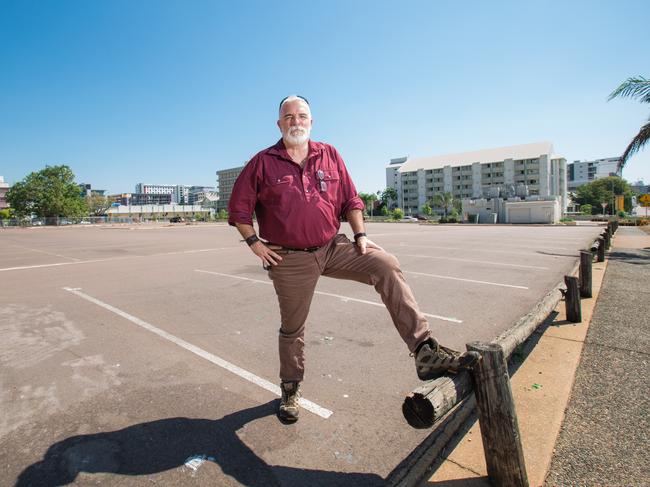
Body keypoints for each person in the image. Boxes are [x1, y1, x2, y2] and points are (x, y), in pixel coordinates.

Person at [228, 95, 478, 423]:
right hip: (289, 258)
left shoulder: (330, 154)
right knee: (292, 327)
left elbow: (350, 199)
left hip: (334, 246)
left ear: (311, 122)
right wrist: (255, 244)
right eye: (288, 117)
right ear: (279, 124)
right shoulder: (262, 162)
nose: (295, 121)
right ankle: (290, 387)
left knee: (385, 264)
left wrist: (360, 235)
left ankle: (424, 351)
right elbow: (238, 209)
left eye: (301, 115)